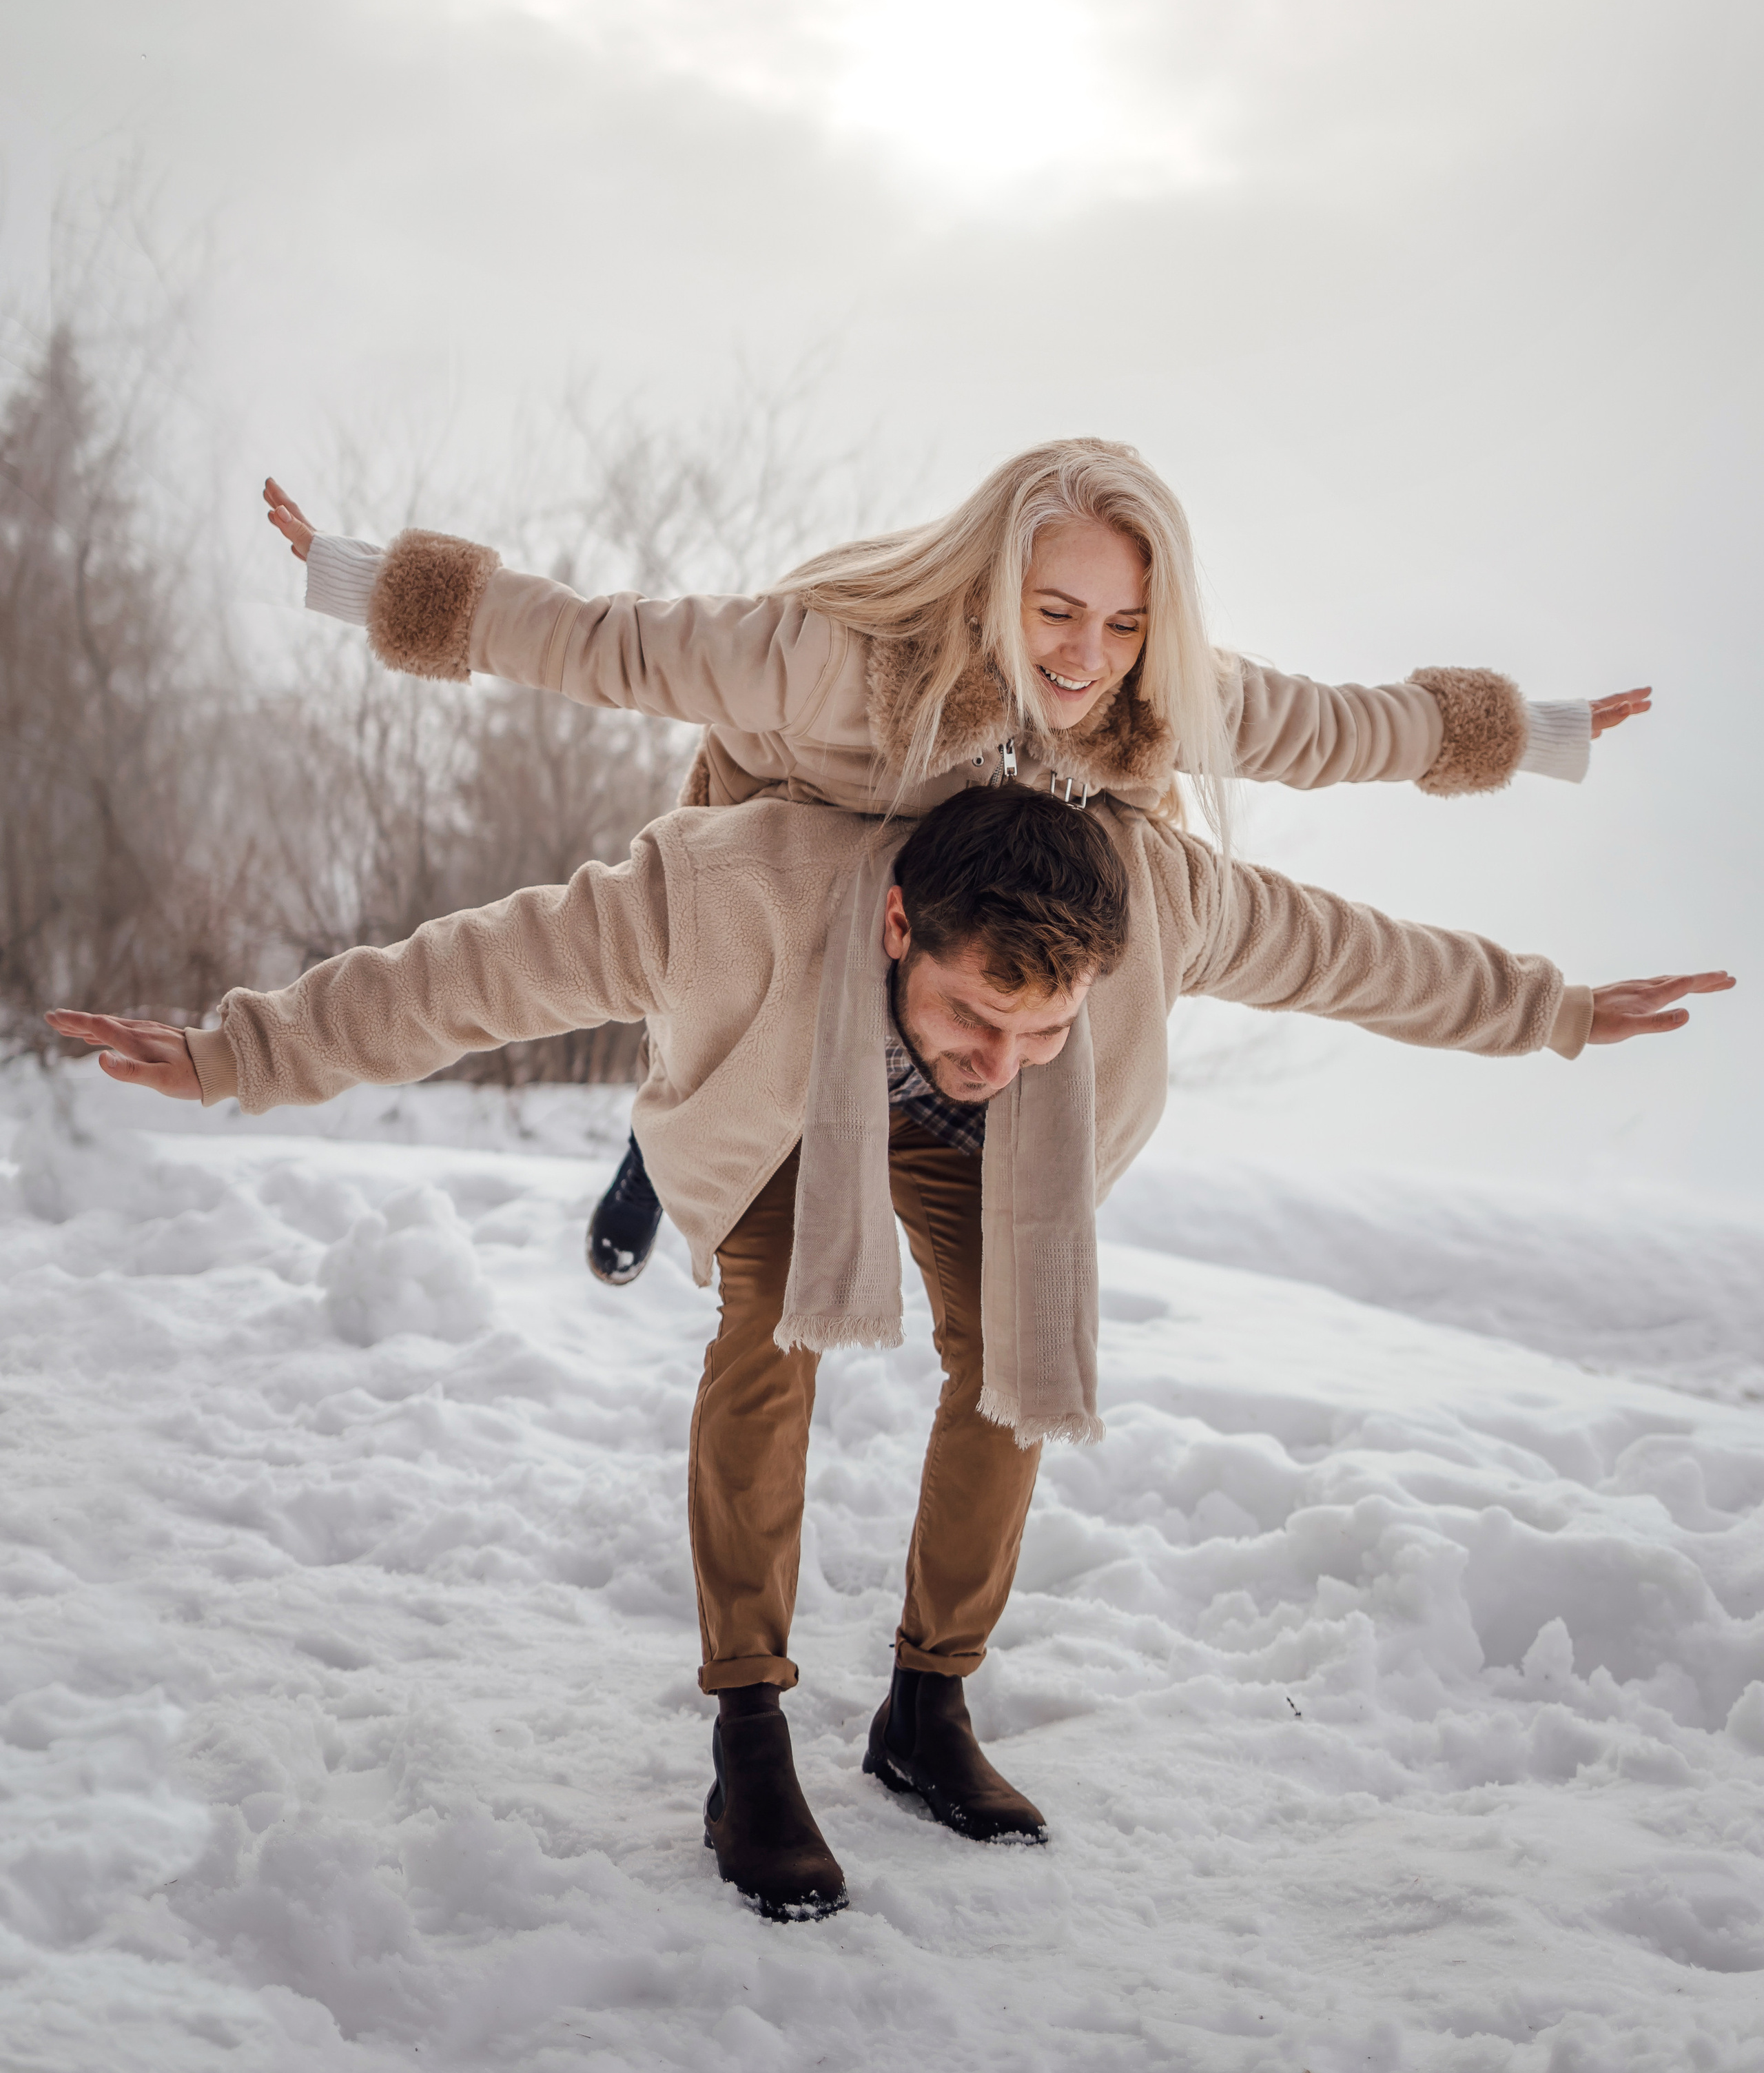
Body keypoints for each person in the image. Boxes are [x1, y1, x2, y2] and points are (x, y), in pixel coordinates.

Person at [47, 782, 1730, 1922]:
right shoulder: (739, 888)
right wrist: (232, 1053)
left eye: (1043, 1029)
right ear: (897, 922)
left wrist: (1558, 1007)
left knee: (1014, 1350)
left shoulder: (1161, 908)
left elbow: (1358, 953)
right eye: (972, 1014)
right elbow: (477, 969)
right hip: (783, 1108)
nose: (1005, 1052)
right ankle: (747, 1727)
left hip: (927, 1154)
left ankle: (926, 1702)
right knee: (770, 1326)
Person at [263, 441, 1650, 1287]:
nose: (1082, 655)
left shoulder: (1151, 695)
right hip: (808, 858)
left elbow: (1357, 730)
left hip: (978, 900)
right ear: (994, 587)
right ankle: (655, 1148)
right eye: (1055, 611)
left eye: (1121, 623)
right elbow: (607, 642)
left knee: (951, 1043)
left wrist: (1537, 733)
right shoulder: (839, 659)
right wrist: (361, 575)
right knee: (745, 1051)